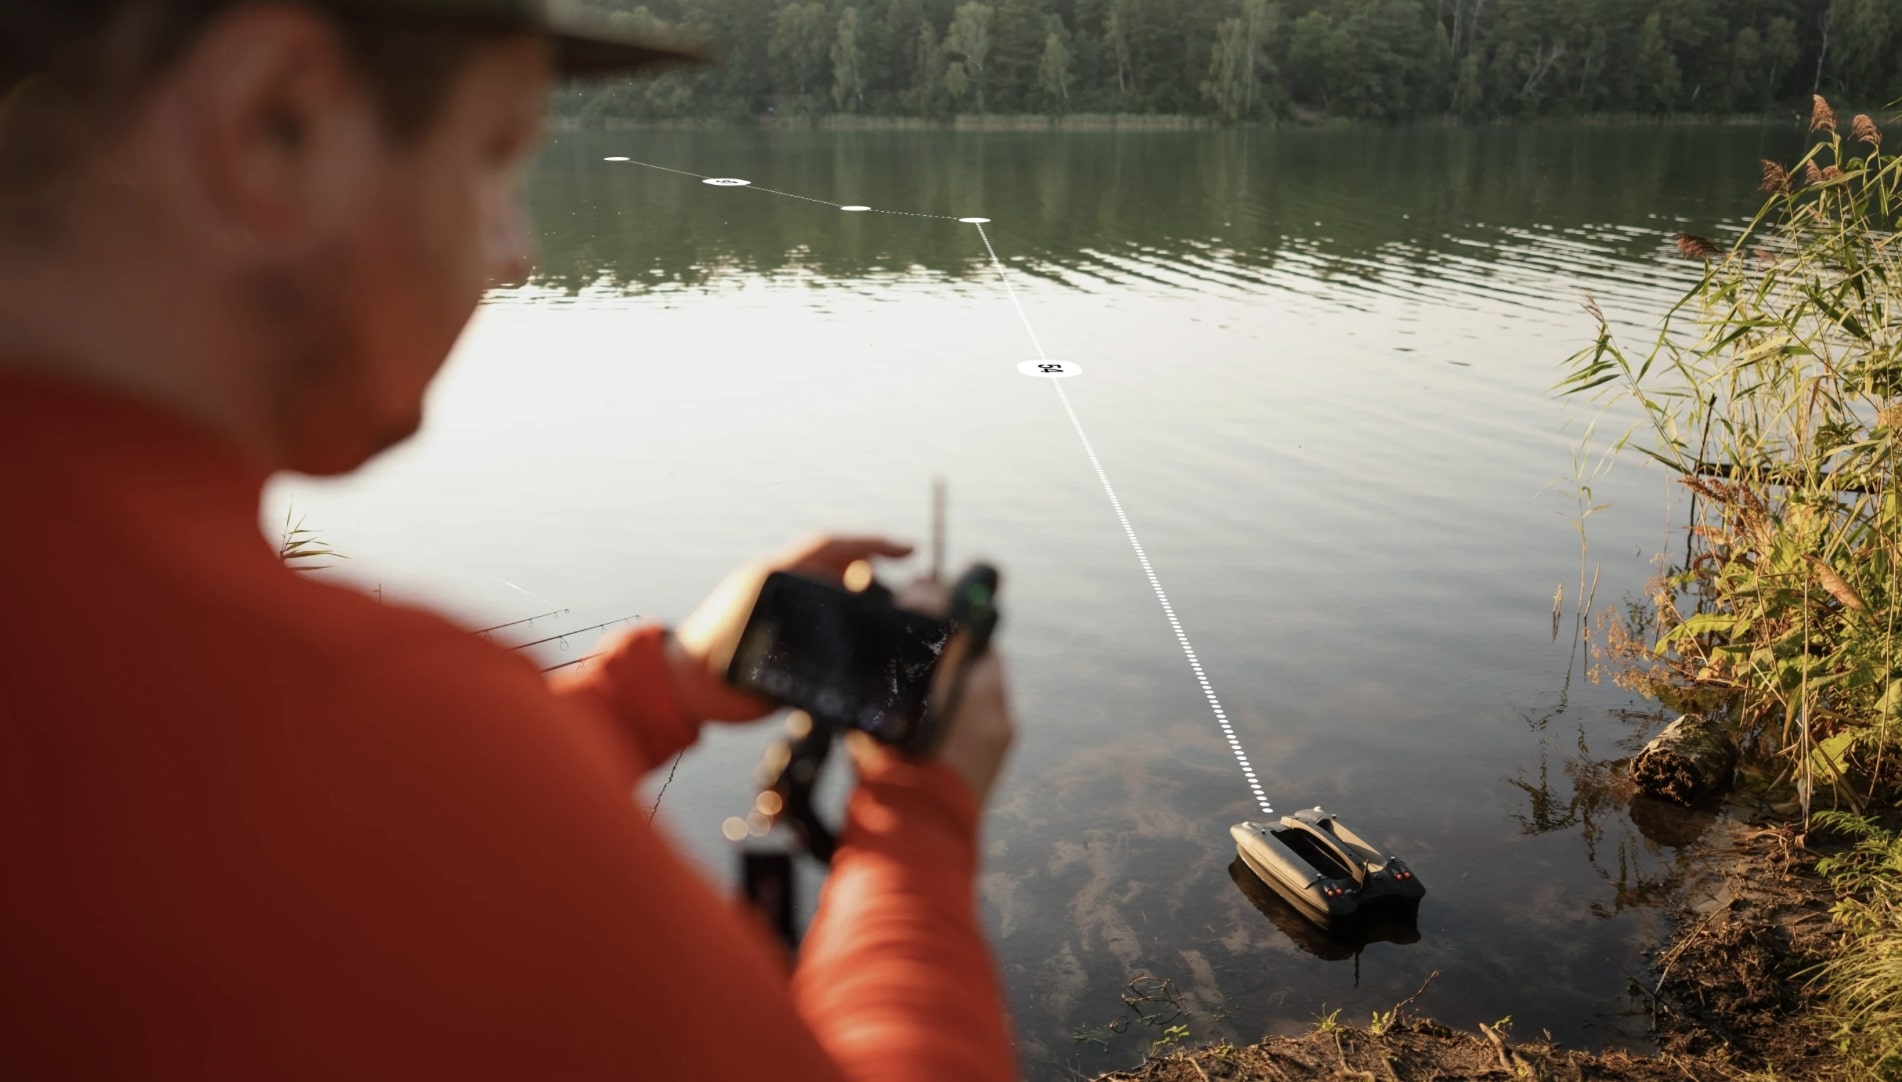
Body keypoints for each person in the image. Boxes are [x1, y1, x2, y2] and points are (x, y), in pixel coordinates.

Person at [0, 3, 1019, 1079]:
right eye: (493, 158)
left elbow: (325, 829)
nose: (518, 254)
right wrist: (918, 817)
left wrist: (659, 686)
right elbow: (387, 784)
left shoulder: (120, 666)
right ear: (272, 122)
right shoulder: (372, 715)